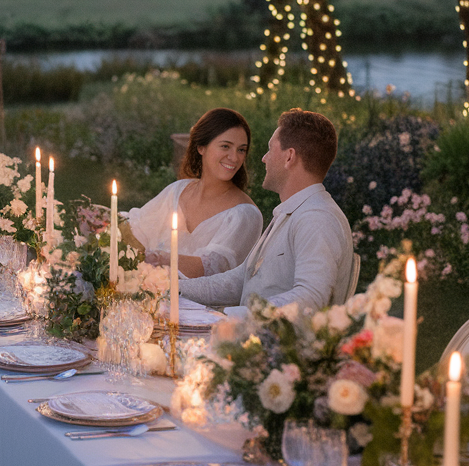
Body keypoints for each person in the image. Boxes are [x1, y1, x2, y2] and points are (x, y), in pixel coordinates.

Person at [178, 107, 354, 314]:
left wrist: (230, 317)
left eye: (271, 149)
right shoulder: (293, 212)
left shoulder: (317, 219)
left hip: (275, 345)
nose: (264, 158)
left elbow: (311, 298)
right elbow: (239, 281)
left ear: (289, 157)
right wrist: (172, 288)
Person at [125, 108, 264, 278]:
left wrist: (161, 259)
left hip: (208, 304)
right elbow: (136, 230)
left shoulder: (244, 215)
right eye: (225, 146)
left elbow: (213, 268)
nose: (234, 158)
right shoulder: (177, 191)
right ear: (201, 147)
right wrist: (99, 220)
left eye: (241, 150)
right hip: (153, 298)